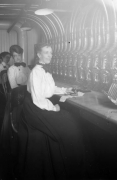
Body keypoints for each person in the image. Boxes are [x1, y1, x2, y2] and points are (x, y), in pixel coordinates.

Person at [17, 43, 92, 180]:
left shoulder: (46, 70)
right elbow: (38, 99)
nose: (50, 55)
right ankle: (70, 169)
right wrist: (54, 108)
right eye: (46, 52)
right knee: (69, 124)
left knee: (70, 121)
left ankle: (72, 167)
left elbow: (50, 89)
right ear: (39, 55)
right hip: (34, 109)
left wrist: (65, 90)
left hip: (41, 104)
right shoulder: (36, 72)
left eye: (51, 53)